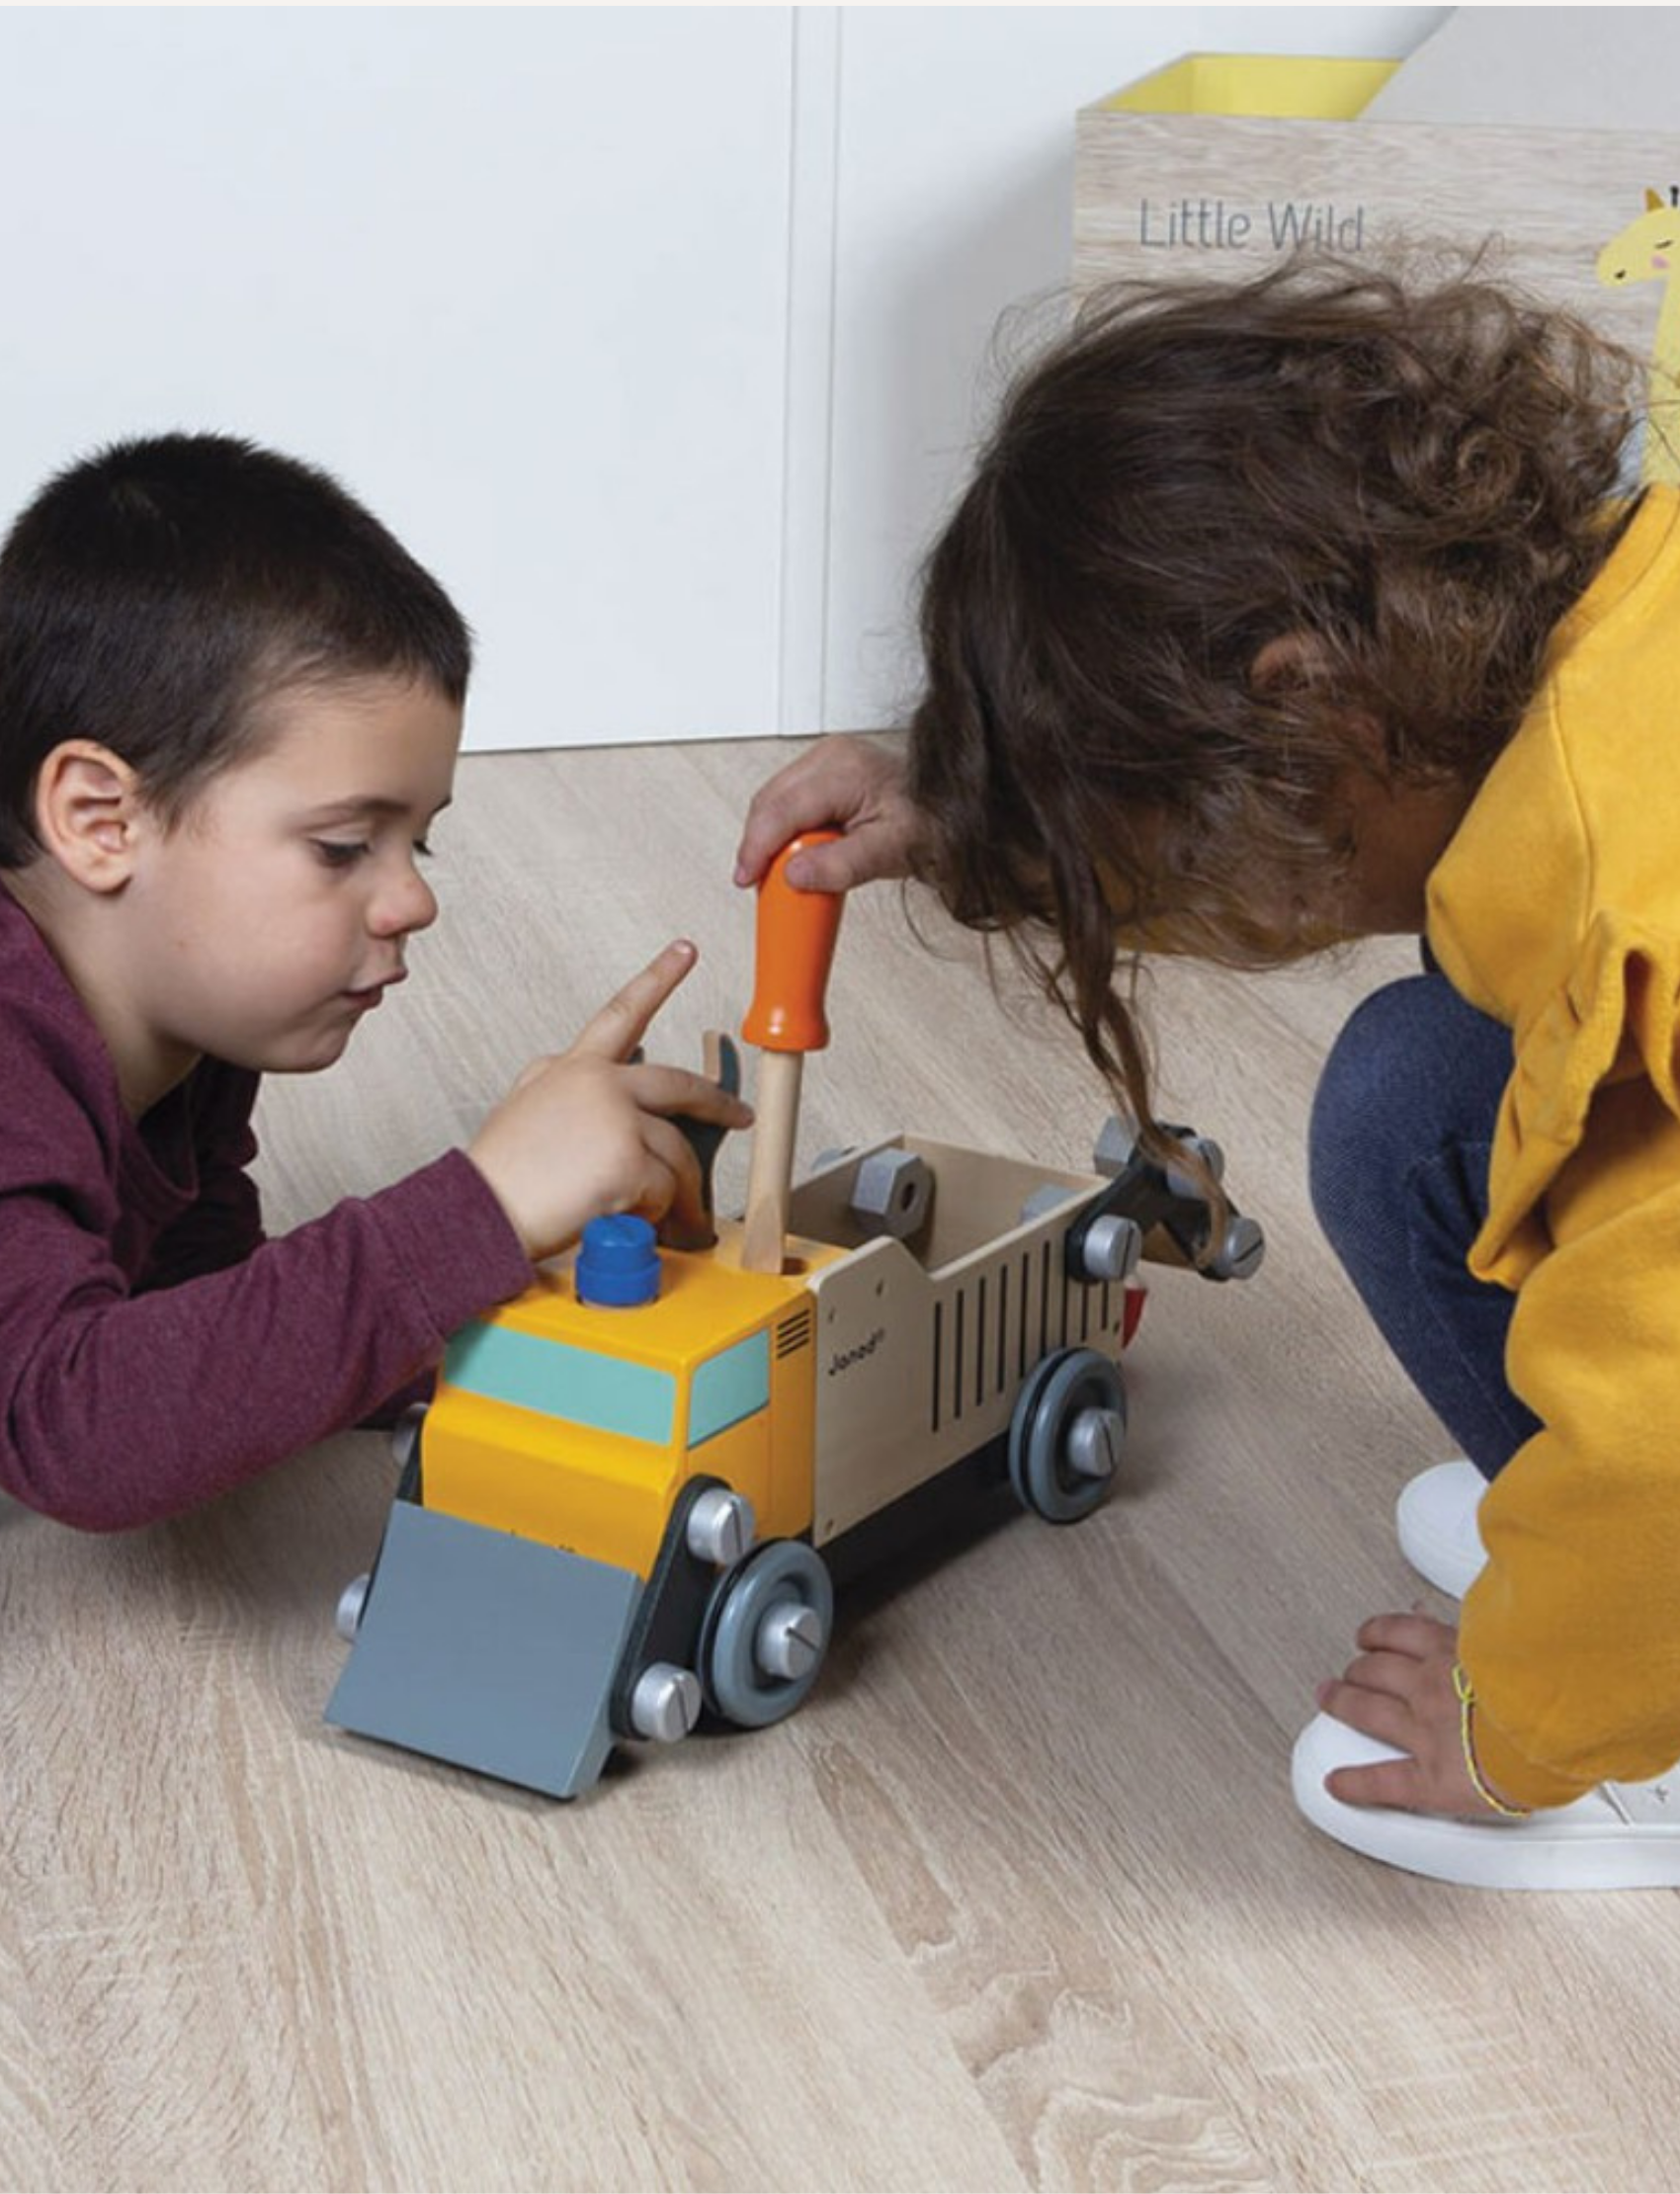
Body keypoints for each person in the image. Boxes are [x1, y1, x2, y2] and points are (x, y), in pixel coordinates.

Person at [735, 257, 1680, 1889]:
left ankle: (1632, 1702)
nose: (1161, 915)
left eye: (1145, 853)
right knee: (1413, 1088)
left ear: (1304, 709)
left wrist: (1531, 1713)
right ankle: (1591, 1569)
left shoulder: (1635, 937)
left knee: (1621, 1448)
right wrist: (1006, 807)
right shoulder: (1616, 631)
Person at [0, 433, 749, 1533]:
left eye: (419, 846)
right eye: (345, 848)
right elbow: (81, 1431)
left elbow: (204, 1324)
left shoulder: (186, 1033)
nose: (411, 903)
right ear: (102, 821)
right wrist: (478, 1206)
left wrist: (525, 1293)